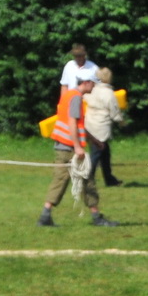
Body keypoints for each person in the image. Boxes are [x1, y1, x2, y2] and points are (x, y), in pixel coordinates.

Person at [40, 78, 117, 227]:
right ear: (86, 82)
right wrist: (77, 147)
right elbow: (72, 123)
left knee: (60, 181)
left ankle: (45, 216)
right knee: (87, 182)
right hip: (69, 149)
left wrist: (94, 140)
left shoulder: (69, 95)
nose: (94, 87)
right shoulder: (75, 98)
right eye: (93, 83)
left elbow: (78, 124)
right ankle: (96, 217)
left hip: (63, 147)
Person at [84, 67, 125, 187]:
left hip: (90, 125)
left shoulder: (92, 89)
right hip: (101, 127)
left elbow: (84, 99)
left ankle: (109, 179)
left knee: (105, 153)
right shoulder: (108, 93)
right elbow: (114, 111)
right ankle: (87, 180)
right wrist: (121, 122)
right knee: (96, 155)